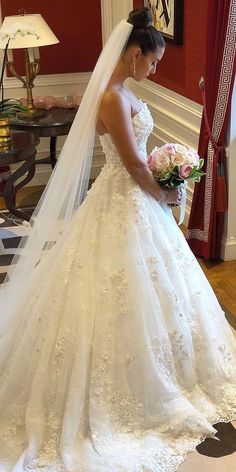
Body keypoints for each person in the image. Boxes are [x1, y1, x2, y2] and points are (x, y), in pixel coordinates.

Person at [0, 7, 235, 472]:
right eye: (152, 62)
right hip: (126, 198)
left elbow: (139, 160)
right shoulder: (111, 97)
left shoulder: (120, 89)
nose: (155, 69)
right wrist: (166, 190)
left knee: (165, 284)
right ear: (132, 54)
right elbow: (132, 164)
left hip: (133, 200)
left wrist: (165, 182)